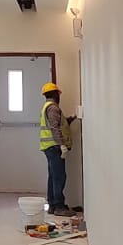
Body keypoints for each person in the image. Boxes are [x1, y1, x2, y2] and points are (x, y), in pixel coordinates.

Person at [40, 82, 75, 215]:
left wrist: (71, 119)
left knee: (53, 176)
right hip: (54, 147)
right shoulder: (53, 108)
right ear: (55, 94)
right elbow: (55, 128)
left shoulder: (47, 107)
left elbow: (59, 123)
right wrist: (62, 145)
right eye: (58, 94)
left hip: (49, 147)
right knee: (59, 176)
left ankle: (53, 205)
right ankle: (59, 207)